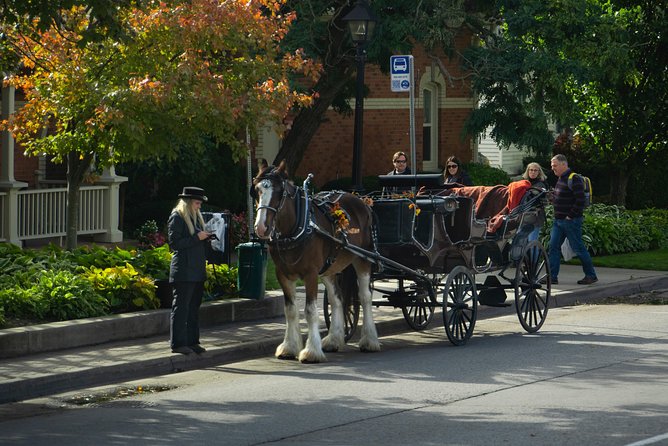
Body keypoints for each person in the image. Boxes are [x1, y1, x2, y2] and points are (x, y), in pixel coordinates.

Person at [168, 186, 214, 355]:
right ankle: (178, 343)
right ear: (188, 202)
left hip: (196, 269)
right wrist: (197, 238)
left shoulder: (195, 218)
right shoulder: (177, 217)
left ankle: (192, 341)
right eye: (197, 203)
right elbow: (175, 244)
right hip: (183, 270)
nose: (199, 206)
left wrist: (205, 238)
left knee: (193, 308)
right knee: (181, 308)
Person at [545, 154, 598, 285]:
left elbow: (580, 200)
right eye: (552, 166)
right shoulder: (560, 179)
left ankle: (591, 275)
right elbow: (563, 197)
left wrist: (570, 216)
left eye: (555, 166)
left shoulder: (573, 179)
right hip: (558, 221)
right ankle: (552, 277)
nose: (553, 169)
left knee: (578, 248)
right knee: (553, 247)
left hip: (570, 221)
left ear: (564, 164)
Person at [522, 162, 548, 241]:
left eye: (535, 170)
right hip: (524, 215)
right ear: (528, 171)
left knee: (532, 241)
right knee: (521, 240)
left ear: (539, 172)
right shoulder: (524, 182)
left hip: (536, 216)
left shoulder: (541, 184)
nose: (533, 172)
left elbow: (534, 195)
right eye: (531, 170)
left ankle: (534, 253)